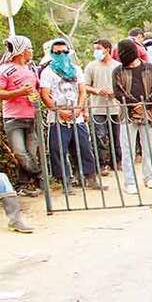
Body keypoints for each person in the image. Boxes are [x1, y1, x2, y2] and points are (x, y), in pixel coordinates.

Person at [39, 38, 106, 193]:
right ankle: (65, 181)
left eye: (64, 52)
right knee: (58, 150)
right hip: (57, 117)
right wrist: (59, 111)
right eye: (57, 53)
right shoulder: (47, 72)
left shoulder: (76, 69)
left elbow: (82, 91)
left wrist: (79, 108)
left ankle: (90, 177)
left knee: (84, 147)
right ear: (52, 54)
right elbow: (45, 95)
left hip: (77, 116)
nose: (61, 55)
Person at [112, 39, 152, 195]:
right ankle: (130, 181)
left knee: (149, 147)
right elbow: (119, 92)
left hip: (149, 114)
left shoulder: (150, 68)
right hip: (127, 115)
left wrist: (145, 105)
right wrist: (134, 105)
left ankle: (149, 177)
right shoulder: (118, 71)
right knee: (127, 150)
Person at [1, 35, 41, 195]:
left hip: (31, 115)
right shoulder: (5, 69)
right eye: (30, 49)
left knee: (31, 153)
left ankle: (23, 186)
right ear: (22, 51)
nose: (31, 52)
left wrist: (35, 96)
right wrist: (19, 92)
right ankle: (41, 176)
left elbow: (37, 89)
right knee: (20, 152)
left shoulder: (32, 69)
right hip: (13, 116)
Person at [83, 39, 121, 175]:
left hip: (115, 107)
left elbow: (123, 85)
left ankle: (117, 161)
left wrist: (115, 92)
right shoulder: (91, 67)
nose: (96, 51)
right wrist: (97, 90)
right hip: (97, 107)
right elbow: (84, 86)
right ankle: (102, 164)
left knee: (117, 137)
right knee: (100, 137)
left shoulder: (118, 66)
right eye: (95, 49)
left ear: (107, 49)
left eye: (99, 48)